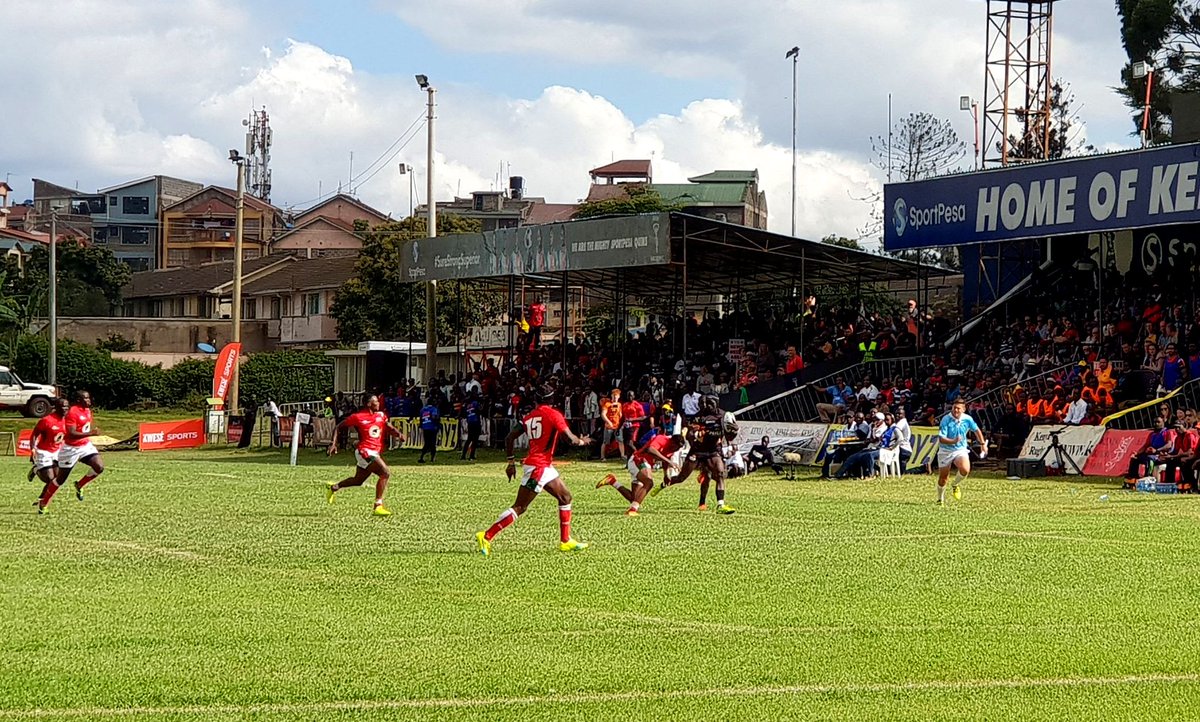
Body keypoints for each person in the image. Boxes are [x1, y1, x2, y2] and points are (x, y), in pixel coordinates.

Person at [475, 384, 592, 555]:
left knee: (565, 497)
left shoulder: (529, 417)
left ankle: (565, 540)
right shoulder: (553, 415)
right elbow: (571, 440)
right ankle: (486, 535)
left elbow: (509, 438)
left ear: (536, 399)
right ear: (552, 399)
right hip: (539, 467)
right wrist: (583, 441)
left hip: (542, 465)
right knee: (520, 507)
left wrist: (510, 462)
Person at [325, 394, 404, 515]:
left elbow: (388, 426)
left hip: (374, 451)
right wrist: (333, 444)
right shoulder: (358, 417)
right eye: (375, 401)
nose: (378, 403)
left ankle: (334, 487)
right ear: (368, 404)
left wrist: (398, 434)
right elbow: (338, 427)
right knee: (385, 472)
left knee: (358, 481)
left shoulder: (381, 415)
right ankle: (378, 506)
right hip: (365, 451)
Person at [655, 396, 736, 514]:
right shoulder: (698, 417)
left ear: (717, 404)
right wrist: (695, 435)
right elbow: (690, 433)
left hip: (713, 450)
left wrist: (734, 430)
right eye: (705, 404)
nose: (707, 406)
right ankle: (663, 484)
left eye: (710, 404)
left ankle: (720, 505)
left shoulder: (724, 416)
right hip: (697, 450)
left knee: (719, 473)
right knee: (681, 477)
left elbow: (729, 436)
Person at [596, 433, 684, 516]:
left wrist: (666, 475)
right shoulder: (662, 439)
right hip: (638, 460)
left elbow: (665, 461)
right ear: (672, 442)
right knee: (649, 483)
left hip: (644, 464)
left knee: (634, 498)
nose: (676, 450)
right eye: (676, 447)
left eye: (678, 448)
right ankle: (632, 510)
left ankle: (612, 481)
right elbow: (650, 449)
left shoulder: (672, 449)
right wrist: (670, 462)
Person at [935, 398, 987, 505]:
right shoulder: (946, 419)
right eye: (954, 408)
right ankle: (940, 499)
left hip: (960, 449)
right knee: (943, 477)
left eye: (958, 408)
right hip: (945, 450)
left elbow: (976, 430)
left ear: (963, 409)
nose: (955, 411)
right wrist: (953, 441)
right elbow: (941, 438)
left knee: (965, 469)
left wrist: (982, 444)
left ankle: (955, 484)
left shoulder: (967, 419)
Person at [58, 390, 105, 501]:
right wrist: (91, 433)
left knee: (99, 467)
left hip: (84, 445)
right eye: (85, 398)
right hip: (71, 448)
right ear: (79, 400)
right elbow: (72, 433)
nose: (88, 400)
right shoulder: (72, 412)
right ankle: (44, 500)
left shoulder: (87, 410)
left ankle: (79, 485)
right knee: (59, 479)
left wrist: (88, 435)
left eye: (89, 397)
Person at [31, 398, 69, 514]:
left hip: (58, 451)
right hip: (44, 451)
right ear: (56, 407)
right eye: (62, 406)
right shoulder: (46, 420)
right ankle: (36, 469)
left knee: (57, 479)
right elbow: (34, 434)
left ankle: (42, 499)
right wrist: (32, 449)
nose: (65, 409)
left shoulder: (68, 420)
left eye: (67, 406)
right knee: (48, 478)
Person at [599, 389, 623, 461]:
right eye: (614, 395)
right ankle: (602, 457)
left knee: (620, 440)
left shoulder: (619, 405)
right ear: (611, 396)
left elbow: (620, 414)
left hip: (617, 426)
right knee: (606, 441)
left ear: (619, 396)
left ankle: (622, 455)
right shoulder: (607, 404)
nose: (615, 397)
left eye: (616, 396)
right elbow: (603, 414)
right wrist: (608, 422)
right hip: (609, 426)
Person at [418, 395, 440, 463]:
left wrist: (421, 425)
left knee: (426, 443)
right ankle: (432, 458)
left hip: (425, 428)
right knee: (433, 443)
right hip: (432, 427)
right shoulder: (434, 409)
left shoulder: (423, 409)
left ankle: (421, 457)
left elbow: (421, 419)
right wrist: (437, 422)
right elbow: (434, 417)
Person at [460, 392, 483, 461]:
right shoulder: (475, 403)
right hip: (476, 422)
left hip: (470, 422)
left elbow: (465, 414)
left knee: (469, 439)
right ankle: (471, 455)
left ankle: (463, 455)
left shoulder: (467, 405)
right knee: (475, 440)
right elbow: (480, 410)